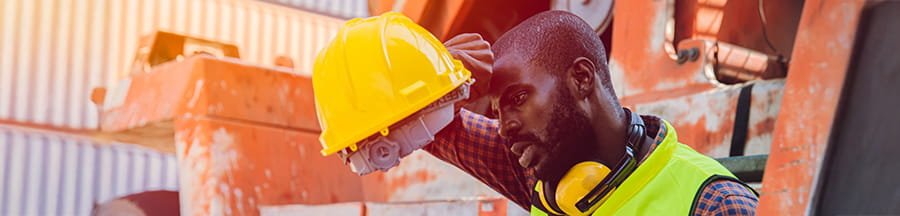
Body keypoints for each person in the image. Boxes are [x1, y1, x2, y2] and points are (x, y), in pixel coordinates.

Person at [426, 11, 759, 215]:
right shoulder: (541, 177)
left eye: (518, 98)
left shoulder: (717, 206)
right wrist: (430, 74)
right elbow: (420, 127)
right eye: (497, 112)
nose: (503, 127)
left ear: (581, 78)